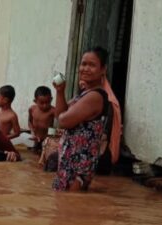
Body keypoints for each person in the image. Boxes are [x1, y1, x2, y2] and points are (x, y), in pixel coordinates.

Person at [53, 47, 109, 191]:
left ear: (103, 69)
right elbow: (60, 114)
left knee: (69, 208)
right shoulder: (84, 94)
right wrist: (60, 92)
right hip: (70, 163)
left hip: (78, 168)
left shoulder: (95, 96)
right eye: (83, 64)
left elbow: (63, 121)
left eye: (92, 65)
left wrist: (64, 115)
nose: (85, 68)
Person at [28, 86, 56, 152]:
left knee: (45, 154)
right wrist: (32, 132)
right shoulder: (32, 109)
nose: (45, 105)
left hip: (46, 139)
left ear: (51, 99)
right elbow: (29, 121)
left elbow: (57, 126)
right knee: (33, 153)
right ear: (35, 101)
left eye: (47, 102)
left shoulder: (53, 111)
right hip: (35, 138)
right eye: (42, 103)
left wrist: (50, 138)